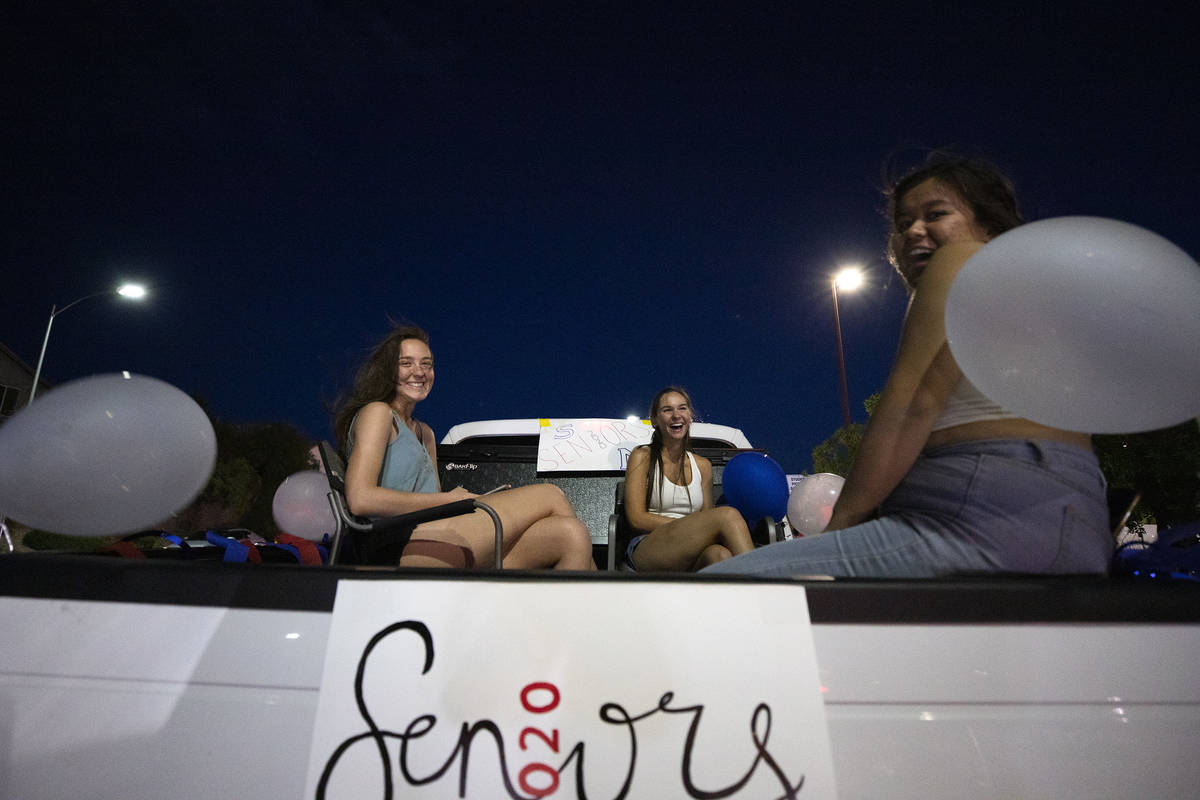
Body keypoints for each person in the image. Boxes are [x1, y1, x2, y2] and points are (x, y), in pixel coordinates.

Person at [705, 153, 1113, 578]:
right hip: (1073, 524)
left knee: (717, 587)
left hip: (976, 519)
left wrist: (839, 533)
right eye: (902, 223)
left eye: (935, 214)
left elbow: (910, 407)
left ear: (989, 224)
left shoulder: (960, 261)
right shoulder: (1032, 296)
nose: (914, 231)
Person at [333, 324, 596, 570]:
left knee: (572, 534)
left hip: (432, 535)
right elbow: (360, 499)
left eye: (427, 364)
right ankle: (611, 605)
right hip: (394, 543)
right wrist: (448, 500)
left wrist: (460, 501)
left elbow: (433, 506)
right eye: (406, 363)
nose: (420, 372)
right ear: (388, 370)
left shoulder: (425, 433)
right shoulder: (378, 413)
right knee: (550, 494)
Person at [623, 387, 756, 571]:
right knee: (727, 515)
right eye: (667, 410)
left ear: (690, 416)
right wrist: (689, 526)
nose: (676, 415)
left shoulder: (703, 466)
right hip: (650, 543)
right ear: (654, 420)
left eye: (682, 408)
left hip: (693, 549)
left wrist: (697, 529)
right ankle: (764, 583)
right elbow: (636, 519)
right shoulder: (642, 456)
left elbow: (707, 516)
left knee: (719, 555)